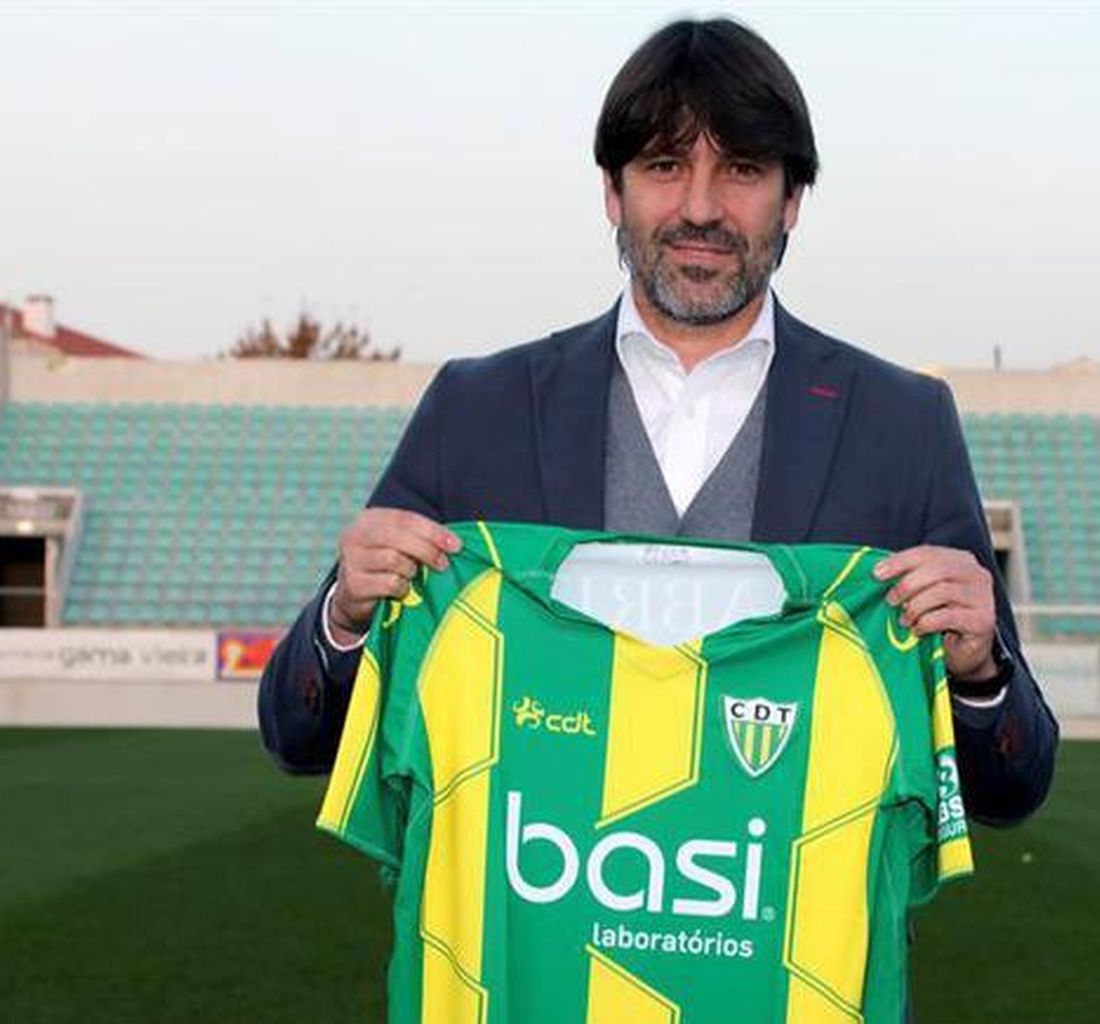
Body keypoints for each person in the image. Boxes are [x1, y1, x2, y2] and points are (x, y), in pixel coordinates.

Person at [260, 15, 1054, 842]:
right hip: (534, 955)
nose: (701, 208)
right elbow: (297, 737)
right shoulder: (477, 409)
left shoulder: (903, 427)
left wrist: (978, 672)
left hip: (779, 957)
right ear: (613, 190)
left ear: (793, 201)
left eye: (742, 169)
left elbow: (1013, 786)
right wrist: (345, 620)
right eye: (666, 166)